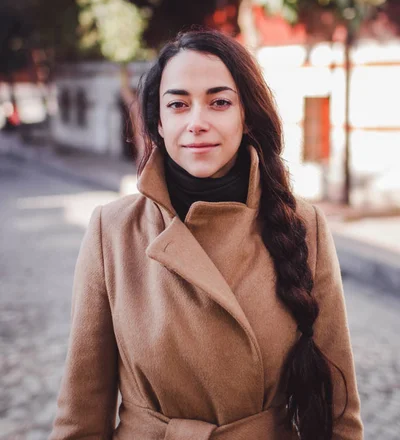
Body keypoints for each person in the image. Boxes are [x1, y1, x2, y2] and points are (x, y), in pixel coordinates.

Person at [50, 28, 363, 440]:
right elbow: (82, 413)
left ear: (245, 115)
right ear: (158, 123)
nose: (197, 122)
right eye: (178, 104)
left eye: (219, 102)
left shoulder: (304, 226)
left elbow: (339, 411)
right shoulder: (113, 231)